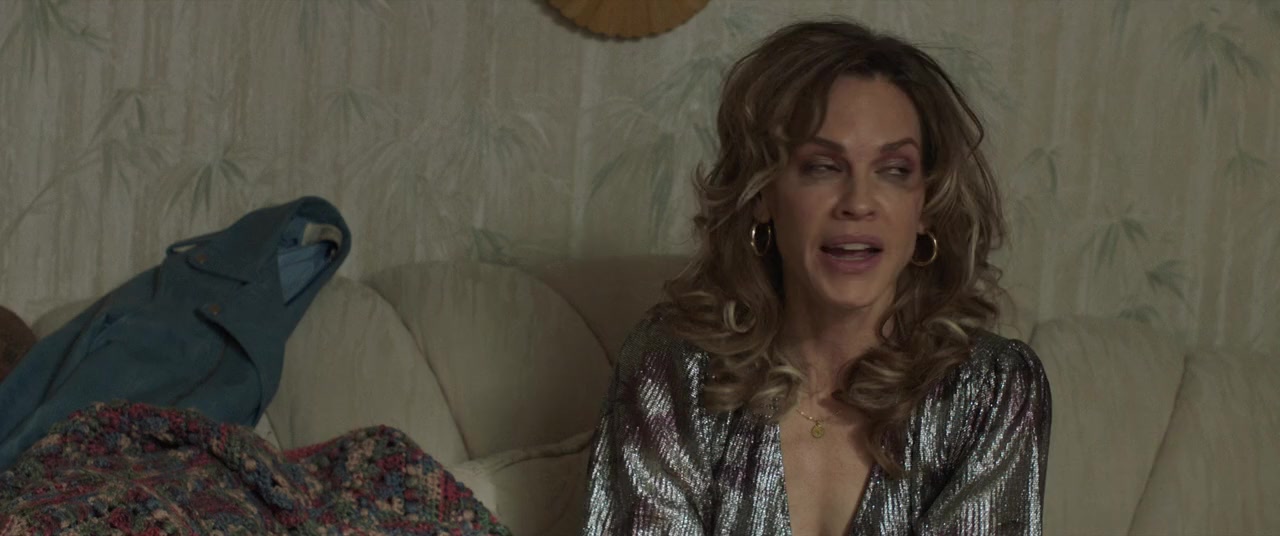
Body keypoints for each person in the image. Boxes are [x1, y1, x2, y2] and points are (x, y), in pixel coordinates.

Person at [581, 19, 1051, 536]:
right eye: (823, 166)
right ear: (762, 194)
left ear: (926, 205)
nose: (858, 202)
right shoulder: (673, 367)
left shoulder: (991, 389)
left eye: (894, 170)